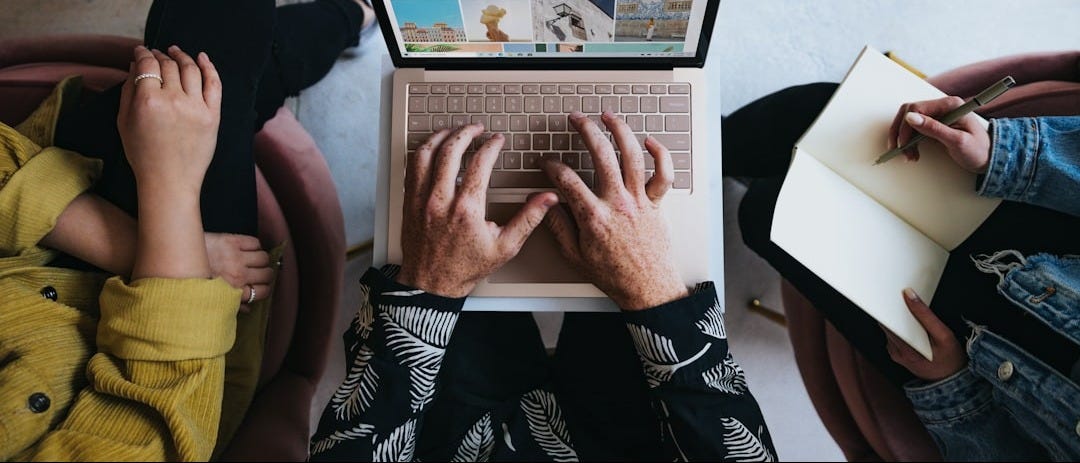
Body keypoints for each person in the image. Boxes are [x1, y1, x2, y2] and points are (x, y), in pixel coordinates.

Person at [0, 0, 373, 459]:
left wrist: (141, 245)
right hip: (176, 349)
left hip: (45, 231)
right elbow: (154, 421)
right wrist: (169, 188)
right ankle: (353, 15)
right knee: (220, 48)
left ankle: (352, 16)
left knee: (212, 57)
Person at [309, 113, 777, 461]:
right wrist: (648, 285)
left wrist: (432, 286)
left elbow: (353, 443)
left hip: (449, 439)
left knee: (437, 222)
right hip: (641, 438)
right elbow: (735, 440)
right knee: (627, 212)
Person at [727, 82, 1080, 460]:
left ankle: (723, 164)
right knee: (826, 121)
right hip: (1036, 210)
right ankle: (701, 148)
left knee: (766, 215)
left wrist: (950, 385)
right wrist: (1007, 151)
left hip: (960, 355)